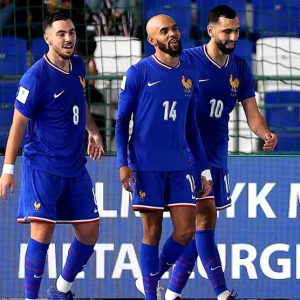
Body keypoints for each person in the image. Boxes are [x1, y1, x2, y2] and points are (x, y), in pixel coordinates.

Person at [162, 5, 278, 300]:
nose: (233, 36)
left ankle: (171, 292)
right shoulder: (187, 61)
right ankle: (222, 293)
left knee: (203, 227)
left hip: (217, 154)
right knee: (200, 220)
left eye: (237, 30)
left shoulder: (239, 67)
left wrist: (264, 133)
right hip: (189, 154)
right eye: (227, 30)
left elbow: (252, 114)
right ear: (211, 30)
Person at [0, 10, 104, 300]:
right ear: (47, 39)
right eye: (61, 34)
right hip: (42, 165)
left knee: (90, 232)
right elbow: (17, 125)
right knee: (42, 235)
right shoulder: (35, 77)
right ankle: (30, 299)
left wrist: (92, 131)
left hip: (75, 165)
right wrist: (8, 169)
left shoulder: (79, 66)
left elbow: (79, 103)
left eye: (71, 33)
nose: (69, 38)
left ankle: (61, 289)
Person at [115, 14, 212, 300]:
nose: (172, 34)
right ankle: (150, 295)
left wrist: (203, 169)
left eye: (174, 28)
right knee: (152, 232)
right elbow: (121, 122)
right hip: (145, 165)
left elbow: (191, 125)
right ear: (152, 40)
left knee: (185, 230)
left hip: (180, 163)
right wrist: (122, 163)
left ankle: (149, 276)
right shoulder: (139, 72)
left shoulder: (190, 73)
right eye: (164, 31)